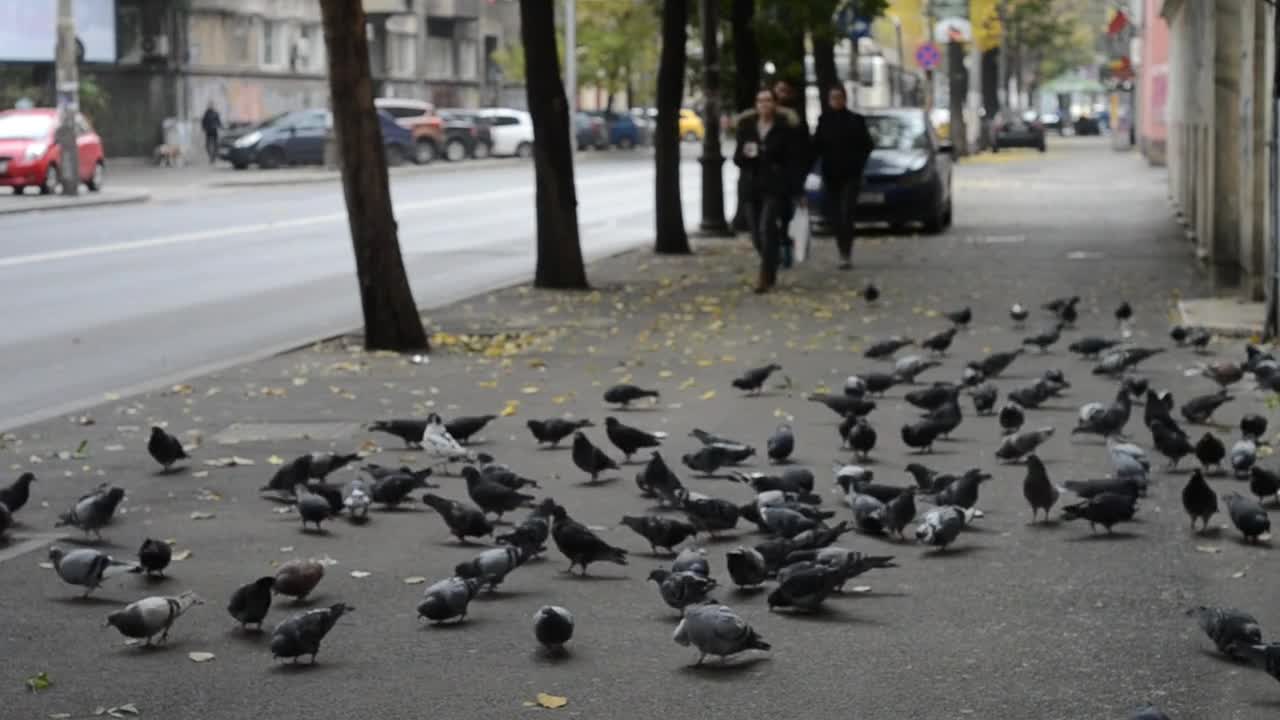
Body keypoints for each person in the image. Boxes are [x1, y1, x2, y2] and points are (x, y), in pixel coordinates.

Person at [734, 88, 809, 294]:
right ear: (756, 105)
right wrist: (747, 154)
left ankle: (764, 277)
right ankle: (772, 261)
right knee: (757, 235)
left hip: (774, 187)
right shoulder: (748, 128)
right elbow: (737, 160)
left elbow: (793, 161)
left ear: (775, 104)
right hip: (751, 186)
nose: (764, 105)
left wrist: (797, 191)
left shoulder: (784, 129)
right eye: (760, 101)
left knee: (767, 227)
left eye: (768, 101)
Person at [812, 85, 873, 269]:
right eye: (833, 97)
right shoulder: (824, 121)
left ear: (844, 99)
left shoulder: (855, 120)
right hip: (831, 175)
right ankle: (842, 249)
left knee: (847, 213)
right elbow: (816, 146)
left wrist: (857, 165)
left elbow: (867, 145)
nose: (836, 101)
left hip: (850, 176)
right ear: (829, 100)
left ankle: (846, 253)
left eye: (839, 97)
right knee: (836, 216)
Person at [771, 79, 811, 268]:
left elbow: (803, 148)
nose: (782, 94)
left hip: (790, 174)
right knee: (772, 215)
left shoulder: (795, 117)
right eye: (779, 90)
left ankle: (785, 246)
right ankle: (777, 247)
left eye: (785, 90)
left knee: (786, 214)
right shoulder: (766, 116)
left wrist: (801, 176)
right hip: (770, 175)